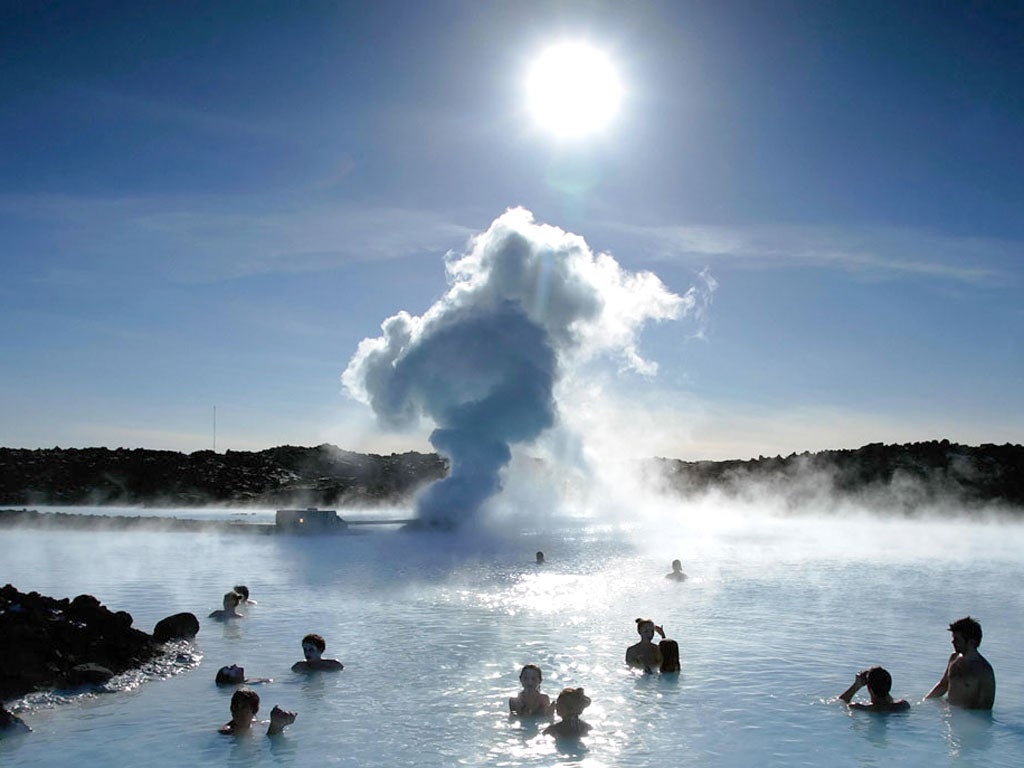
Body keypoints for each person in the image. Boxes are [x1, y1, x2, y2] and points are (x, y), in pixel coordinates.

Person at [926, 616, 995, 709]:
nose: (952, 642)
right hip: (948, 712)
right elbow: (943, 685)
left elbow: (985, 706)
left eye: (957, 639)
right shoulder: (954, 658)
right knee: (903, 705)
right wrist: (926, 702)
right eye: (953, 638)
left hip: (965, 717)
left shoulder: (984, 670)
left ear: (971, 643)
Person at [219, 688, 296, 736]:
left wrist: (282, 723)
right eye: (234, 706)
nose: (237, 711)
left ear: (254, 710)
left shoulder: (260, 724)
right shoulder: (226, 732)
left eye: (243, 708)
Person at [838, 666, 909, 712]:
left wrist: (856, 685)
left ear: (869, 689)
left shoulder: (860, 708)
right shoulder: (903, 705)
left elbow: (841, 702)